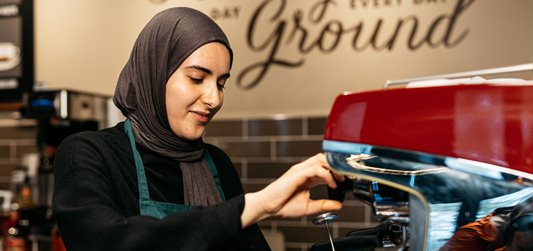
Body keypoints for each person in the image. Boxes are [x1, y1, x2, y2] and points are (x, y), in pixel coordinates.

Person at [52, 7, 343, 251]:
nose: (214, 99)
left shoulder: (217, 163)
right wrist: (257, 204)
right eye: (196, 78)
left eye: (220, 83)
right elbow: (106, 242)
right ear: (154, 74)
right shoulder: (89, 153)